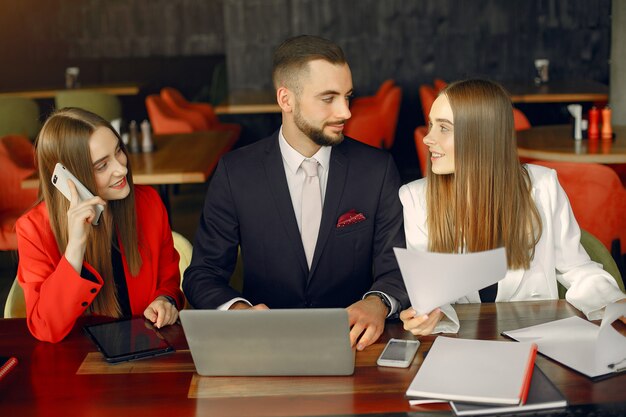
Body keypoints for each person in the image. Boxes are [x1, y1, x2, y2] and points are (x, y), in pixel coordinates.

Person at [183, 35, 408, 350]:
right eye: (328, 98)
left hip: (356, 346)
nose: (345, 112)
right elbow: (203, 274)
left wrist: (379, 302)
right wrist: (237, 310)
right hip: (264, 347)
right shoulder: (236, 172)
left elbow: (397, 265)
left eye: (348, 96)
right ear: (286, 99)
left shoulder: (377, 169)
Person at [399, 79, 626, 335]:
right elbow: (431, 292)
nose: (428, 138)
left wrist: (615, 302)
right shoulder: (416, 198)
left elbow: (577, 269)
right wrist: (429, 316)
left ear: (482, 135)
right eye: (431, 125)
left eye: (444, 128)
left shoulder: (543, 186)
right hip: (462, 344)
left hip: (539, 339)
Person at [16, 108, 184, 343]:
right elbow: (46, 329)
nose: (122, 169)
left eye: (118, 151)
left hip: (146, 347)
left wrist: (165, 301)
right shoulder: (33, 229)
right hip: (80, 361)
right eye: (102, 165)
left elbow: (168, 279)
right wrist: (75, 247)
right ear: (69, 177)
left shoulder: (149, 203)